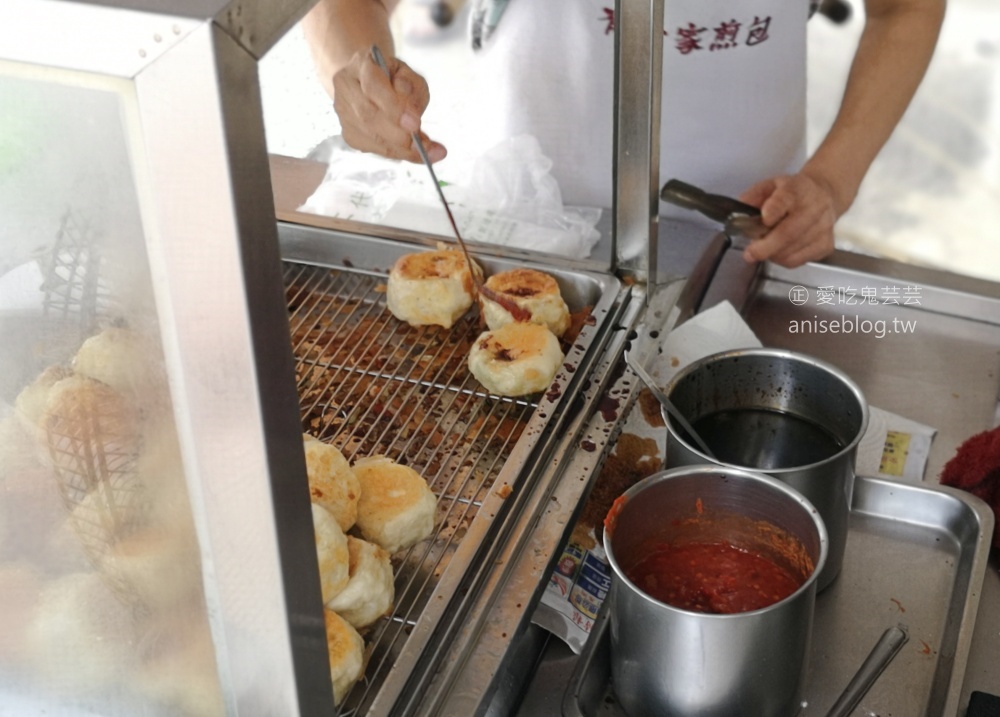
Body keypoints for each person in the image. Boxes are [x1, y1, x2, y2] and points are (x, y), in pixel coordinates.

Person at [301, 0, 944, 269]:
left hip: (748, 233)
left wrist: (831, 180)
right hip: (526, 227)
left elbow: (906, 7)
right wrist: (355, 74)